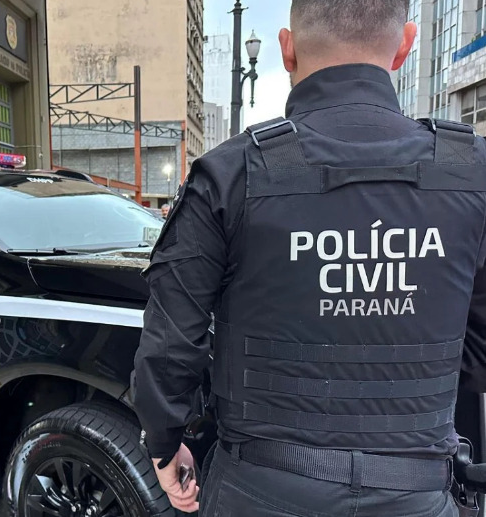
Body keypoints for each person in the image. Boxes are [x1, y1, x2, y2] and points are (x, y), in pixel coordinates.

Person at [132, 1, 486, 515]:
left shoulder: (231, 174)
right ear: (405, 46)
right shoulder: (473, 173)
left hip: (258, 491)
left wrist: (165, 445)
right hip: (418, 493)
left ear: (287, 49)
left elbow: (170, 345)